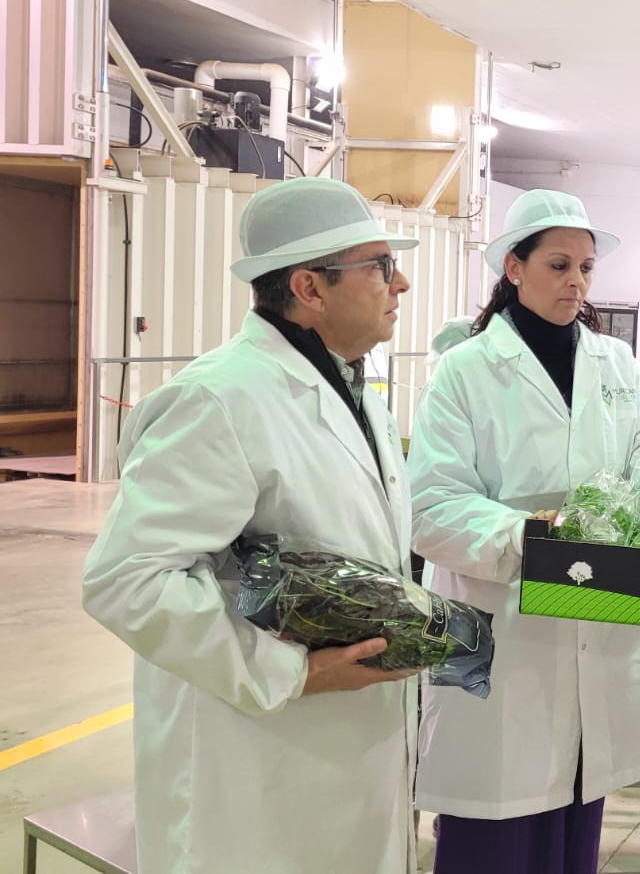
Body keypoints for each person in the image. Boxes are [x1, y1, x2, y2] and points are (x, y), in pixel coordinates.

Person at [81, 178, 422, 873]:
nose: (403, 282)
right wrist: (289, 671)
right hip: (254, 763)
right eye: (381, 266)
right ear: (310, 287)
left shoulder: (353, 390)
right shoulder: (219, 399)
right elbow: (128, 580)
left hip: (346, 757)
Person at [406, 189, 640, 874]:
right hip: (503, 631)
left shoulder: (614, 365)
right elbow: (432, 508)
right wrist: (530, 535)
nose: (577, 282)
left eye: (587, 268)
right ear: (514, 267)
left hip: (598, 626)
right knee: (492, 833)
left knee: (572, 831)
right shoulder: (466, 372)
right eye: (559, 265)